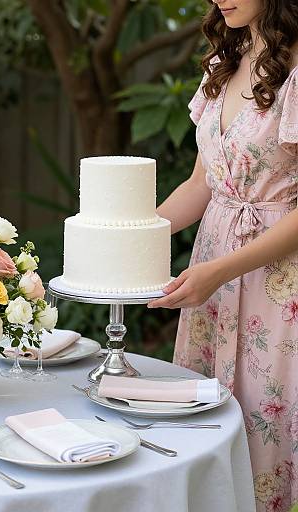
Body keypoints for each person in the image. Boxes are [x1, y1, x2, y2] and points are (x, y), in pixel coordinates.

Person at [147, 0, 298, 509]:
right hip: (213, 270)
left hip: (278, 283)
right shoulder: (225, 62)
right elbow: (202, 184)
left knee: (269, 425)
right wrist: (127, 234)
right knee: (208, 419)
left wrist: (221, 270)